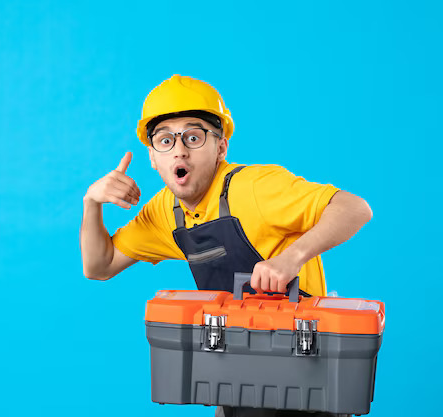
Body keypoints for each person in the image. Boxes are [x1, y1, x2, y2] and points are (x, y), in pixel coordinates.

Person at [80, 75, 372, 417]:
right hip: (240, 380)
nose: (179, 149)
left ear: (221, 148)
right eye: (165, 140)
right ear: (153, 158)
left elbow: (355, 208)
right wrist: (91, 203)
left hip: (306, 382)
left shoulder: (254, 189)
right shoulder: (165, 212)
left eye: (193, 136)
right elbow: (98, 266)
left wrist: (291, 258)